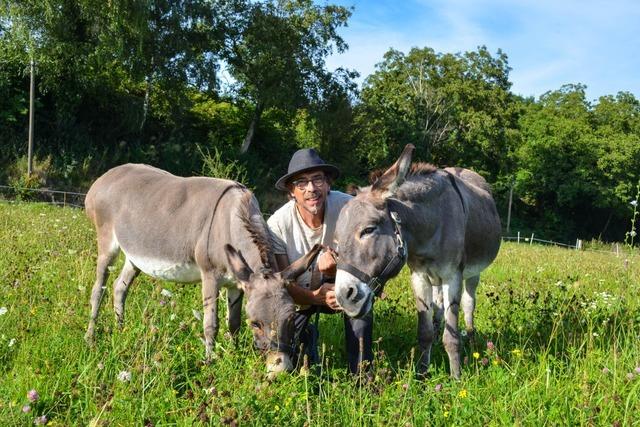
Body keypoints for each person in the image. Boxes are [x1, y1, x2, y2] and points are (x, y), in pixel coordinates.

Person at [267, 148, 373, 374]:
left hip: (341, 284)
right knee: (286, 360)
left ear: (328, 184)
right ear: (291, 191)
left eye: (317, 179)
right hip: (300, 297)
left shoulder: (349, 207)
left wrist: (338, 267)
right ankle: (305, 339)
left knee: (360, 302)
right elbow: (282, 286)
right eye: (301, 183)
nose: (311, 189)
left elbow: (369, 253)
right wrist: (316, 298)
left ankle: (362, 373)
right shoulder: (277, 225)